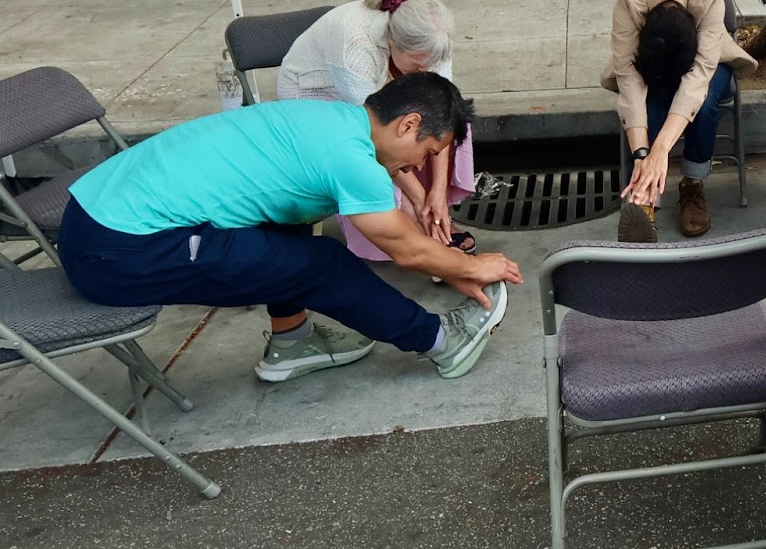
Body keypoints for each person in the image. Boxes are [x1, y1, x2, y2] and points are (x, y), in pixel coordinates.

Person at [57, 74, 521, 383]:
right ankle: (442, 341)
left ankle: (291, 342)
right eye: (428, 150)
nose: (420, 164)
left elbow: (393, 230)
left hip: (96, 218)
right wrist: (470, 265)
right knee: (324, 266)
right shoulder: (350, 158)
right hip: (120, 251)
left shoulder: (333, 121)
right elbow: (405, 249)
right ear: (409, 124)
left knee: (290, 222)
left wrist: (453, 266)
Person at [278, 0, 475, 261]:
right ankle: (415, 230)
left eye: (429, 65)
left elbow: (441, 116)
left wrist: (438, 193)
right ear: (393, 42)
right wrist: (420, 198)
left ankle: (434, 221)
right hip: (317, 94)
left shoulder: (431, 43)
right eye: (418, 66)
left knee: (451, 119)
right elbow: (378, 136)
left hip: (381, 89)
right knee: (380, 146)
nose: (425, 71)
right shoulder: (355, 46)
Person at [602, 0, 755, 242]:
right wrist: (642, 154)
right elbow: (629, 82)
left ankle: (692, 184)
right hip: (655, 57)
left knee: (705, 102)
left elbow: (695, 83)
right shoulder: (628, 1)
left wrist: (660, 150)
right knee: (649, 99)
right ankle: (644, 194)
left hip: (710, 60)